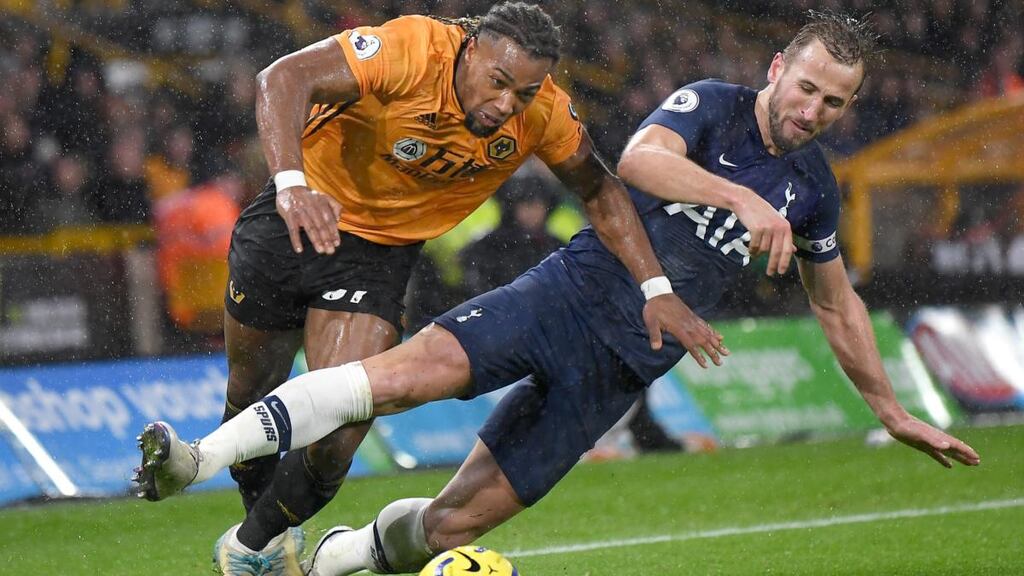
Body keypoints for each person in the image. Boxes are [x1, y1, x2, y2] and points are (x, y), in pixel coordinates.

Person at [135, 10, 980, 576]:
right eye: (806, 87)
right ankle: (199, 464)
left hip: (620, 370)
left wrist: (891, 409)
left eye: (835, 101)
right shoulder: (714, 108)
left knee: (450, 523)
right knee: (379, 385)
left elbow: (835, 302)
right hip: (557, 298)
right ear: (776, 70)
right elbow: (641, 162)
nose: (814, 110)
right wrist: (740, 199)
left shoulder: (816, 186)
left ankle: (334, 559)